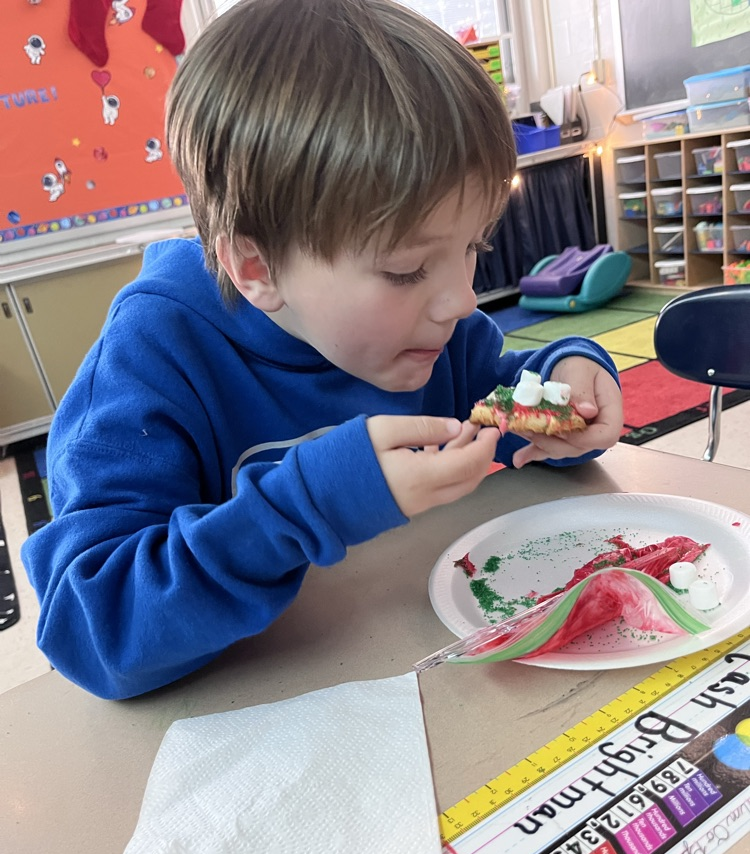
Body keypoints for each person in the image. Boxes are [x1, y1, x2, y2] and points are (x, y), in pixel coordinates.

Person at [21, 0, 622, 700]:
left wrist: (566, 374)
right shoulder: (153, 360)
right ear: (258, 270)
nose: (462, 299)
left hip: (443, 682)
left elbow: (506, 402)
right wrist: (305, 505)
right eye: (404, 269)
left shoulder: (439, 337)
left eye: (474, 247)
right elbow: (93, 632)